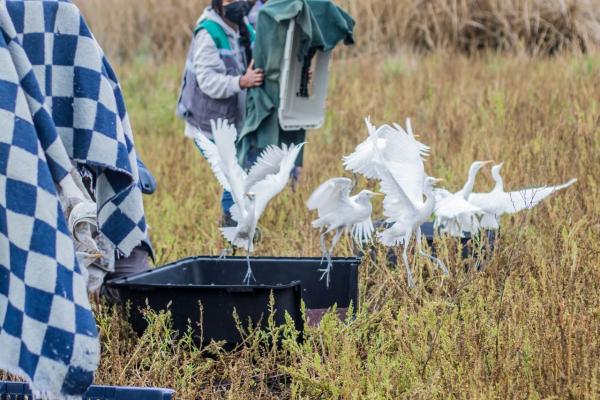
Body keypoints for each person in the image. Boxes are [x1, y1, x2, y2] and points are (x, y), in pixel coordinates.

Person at [177, 0, 264, 226]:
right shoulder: (208, 33)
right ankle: (233, 228)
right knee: (233, 175)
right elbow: (208, 82)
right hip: (208, 124)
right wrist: (241, 82)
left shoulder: (243, 26)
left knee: (245, 169)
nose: (236, 3)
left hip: (232, 121)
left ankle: (241, 224)